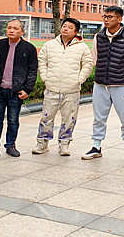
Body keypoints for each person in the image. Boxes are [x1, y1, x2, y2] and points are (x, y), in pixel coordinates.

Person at [82, 5, 124, 164]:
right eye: (105, 17)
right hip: (101, 84)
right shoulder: (98, 37)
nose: (106, 20)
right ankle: (96, 146)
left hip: (122, 85)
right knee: (99, 118)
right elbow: (96, 59)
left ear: (119, 19)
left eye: (110, 17)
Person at [34, 18, 93, 156]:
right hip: (52, 89)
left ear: (76, 32)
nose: (65, 29)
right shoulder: (49, 45)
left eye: (70, 27)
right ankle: (42, 143)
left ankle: (64, 144)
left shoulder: (82, 47)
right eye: (64, 26)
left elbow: (88, 64)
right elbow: (42, 61)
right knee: (46, 117)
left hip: (71, 90)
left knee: (69, 118)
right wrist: (45, 77)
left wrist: (79, 80)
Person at [0, 19, 37, 158]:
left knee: (13, 120)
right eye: (9, 28)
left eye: (15, 28)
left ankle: (10, 145)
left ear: (22, 31)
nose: (11, 30)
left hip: (16, 91)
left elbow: (32, 71)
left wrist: (27, 89)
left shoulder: (29, 48)